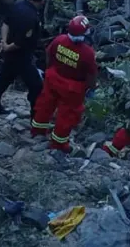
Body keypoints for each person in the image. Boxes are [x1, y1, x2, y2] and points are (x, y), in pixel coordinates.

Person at [30, 15, 98, 153]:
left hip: (53, 78)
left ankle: (37, 130)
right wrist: (91, 88)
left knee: (45, 104)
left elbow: (49, 54)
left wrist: (50, 70)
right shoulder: (87, 53)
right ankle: (59, 144)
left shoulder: (59, 40)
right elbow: (91, 74)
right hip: (72, 88)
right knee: (67, 115)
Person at [0, 0, 49, 115]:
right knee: (36, 86)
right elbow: (21, 42)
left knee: (5, 77)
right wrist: (8, 47)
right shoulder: (31, 17)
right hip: (22, 55)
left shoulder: (18, 4)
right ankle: (35, 115)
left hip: (12, 52)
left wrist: (4, 42)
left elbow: (5, 24)